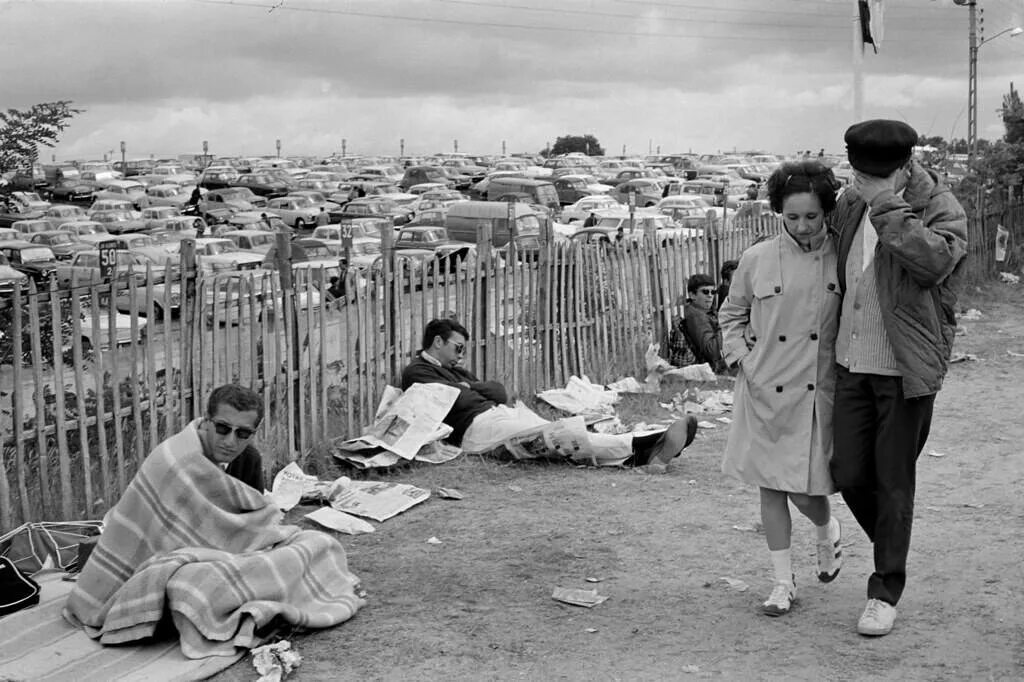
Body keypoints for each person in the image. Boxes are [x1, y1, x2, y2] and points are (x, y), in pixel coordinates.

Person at [64, 383, 364, 655]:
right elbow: (164, 538)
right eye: (222, 428)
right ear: (206, 421)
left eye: (242, 433)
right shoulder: (177, 461)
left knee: (318, 542)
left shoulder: (247, 460)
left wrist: (255, 544)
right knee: (190, 587)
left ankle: (257, 599)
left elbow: (250, 523)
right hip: (157, 566)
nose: (231, 440)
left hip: (221, 556)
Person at [829, 119, 967, 637]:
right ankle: (892, 542)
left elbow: (932, 264)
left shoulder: (941, 206)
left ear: (907, 164)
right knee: (844, 471)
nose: (868, 182)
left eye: (880, 174)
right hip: (849, 363)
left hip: (904, 368)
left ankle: (885, 590)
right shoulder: (849, 201)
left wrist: (886, 203)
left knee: (894, 482)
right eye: (863, 174)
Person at [719, 160, 844, 617]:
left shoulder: (843, 257)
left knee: (807, 491)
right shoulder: (757, 259)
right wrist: (744, 361)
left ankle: (827, 528)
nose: (802, 226)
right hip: (763, 389)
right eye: (792, 217)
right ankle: (781, 583)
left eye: (811, 216)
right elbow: (730, 317)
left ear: (826, 211)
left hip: (816, 392)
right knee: (769, 488)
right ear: (778, 213)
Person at [402, 318, 698, 473]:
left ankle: (646, 452)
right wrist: (472, 391)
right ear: (437, 342)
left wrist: (471, 389)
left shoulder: (452, 371)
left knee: (567, 437)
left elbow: (498, 391)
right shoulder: (417, 372)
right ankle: (648, 444)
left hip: (498, 415)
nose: (461, 355)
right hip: (476, 428)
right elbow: (460, 401)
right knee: (560, 435)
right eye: (457, 348)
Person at [668, 274, 725, 373]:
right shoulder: (697, 316)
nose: (710, 295)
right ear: (692, 295)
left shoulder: (702, 311)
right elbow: (712, 351)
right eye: (705, 291)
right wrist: (727, 325)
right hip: (712, 370)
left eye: (713, 292)